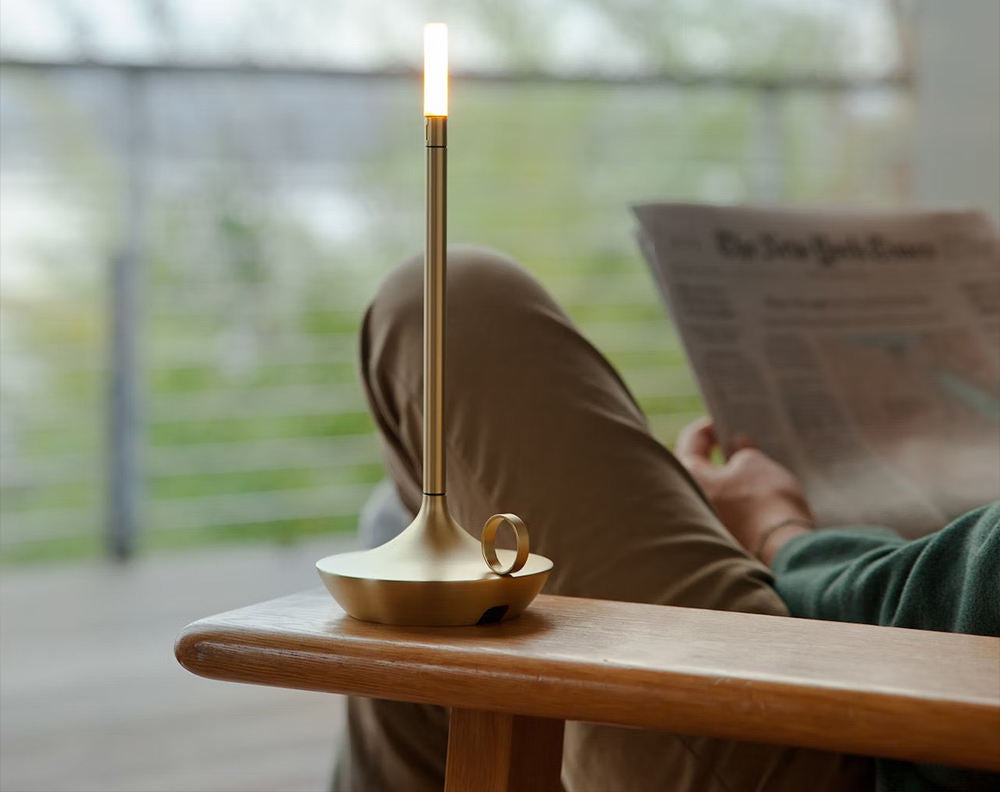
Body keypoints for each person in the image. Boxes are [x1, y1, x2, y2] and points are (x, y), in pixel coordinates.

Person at [334, 248, 999, 792]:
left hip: (870, 746)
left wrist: (778, 531)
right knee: (440, 582)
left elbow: (938, 609)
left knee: (448, 303)